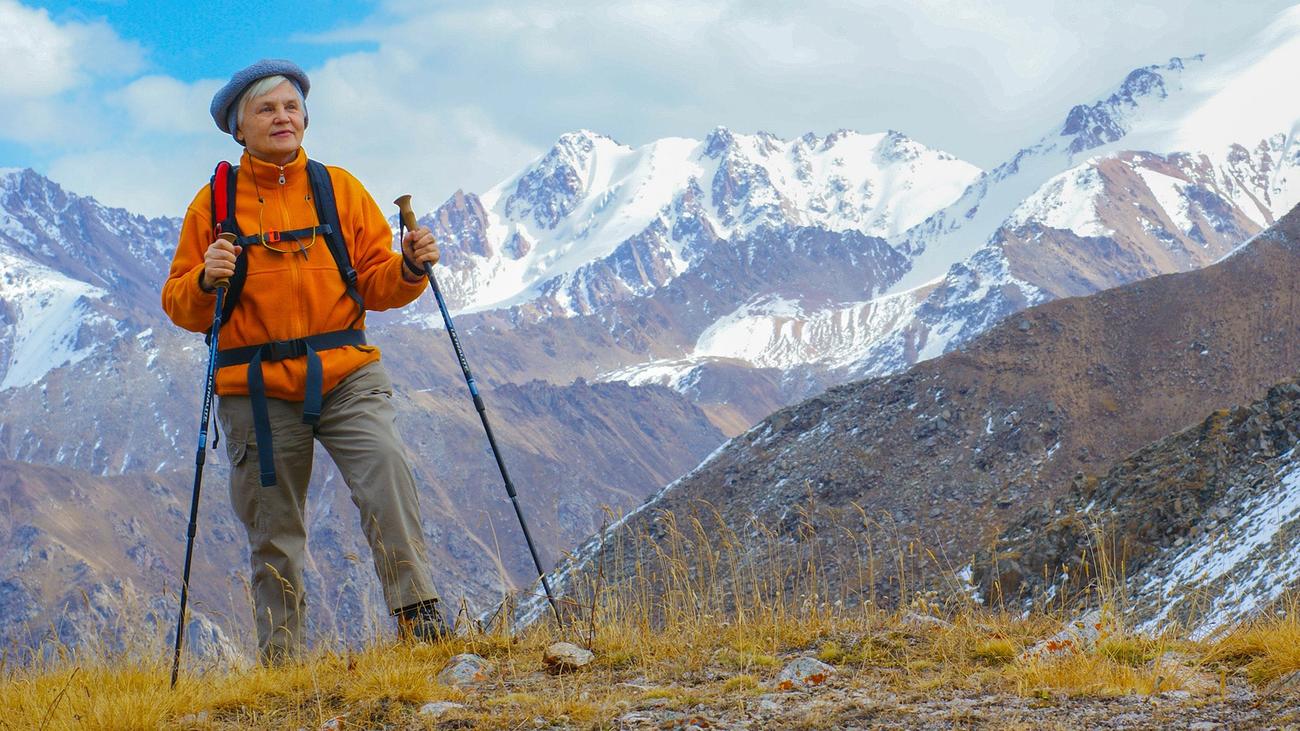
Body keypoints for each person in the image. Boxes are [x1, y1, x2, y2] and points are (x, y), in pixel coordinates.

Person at [161, 59, 448, 664]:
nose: (282, 117)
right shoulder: (212, 206)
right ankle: (283, 664)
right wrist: (205, 281)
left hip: (347, 373)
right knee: (274, 530)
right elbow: (180, 304)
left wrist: (409, 268)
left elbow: (375, 283)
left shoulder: (339, 189)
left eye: (291, 106)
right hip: (255, 389)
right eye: (266, 109)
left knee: (387, 477)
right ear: (239, 128)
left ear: (306, 118)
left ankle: (420, 623)